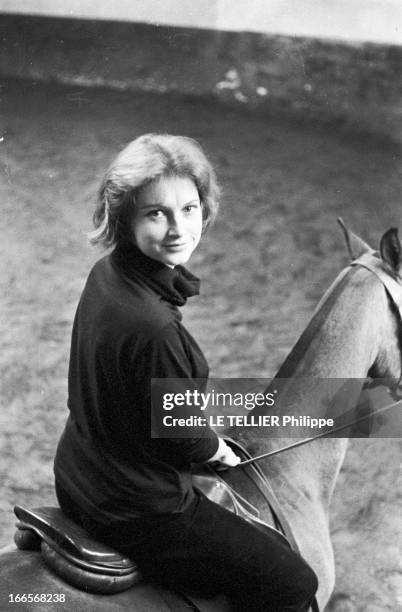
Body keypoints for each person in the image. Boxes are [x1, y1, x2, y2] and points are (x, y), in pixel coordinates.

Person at [54, 133, 318, 611]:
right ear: (123, 218)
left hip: (80, 475)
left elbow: (140, 395)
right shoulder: (155, 329)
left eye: (190, 209)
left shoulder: (107, 273)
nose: (179, 228)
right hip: (139, 509)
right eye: (156, 213)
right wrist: (217, 448)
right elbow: (185, 438)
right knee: (294, 582)